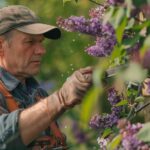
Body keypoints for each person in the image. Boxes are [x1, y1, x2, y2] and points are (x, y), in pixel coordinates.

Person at [0, 5, 93, 150]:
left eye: (41, 42)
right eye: (30, 42)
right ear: (1, 46)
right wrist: (60, 99)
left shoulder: (39, 95)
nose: (41, 50)